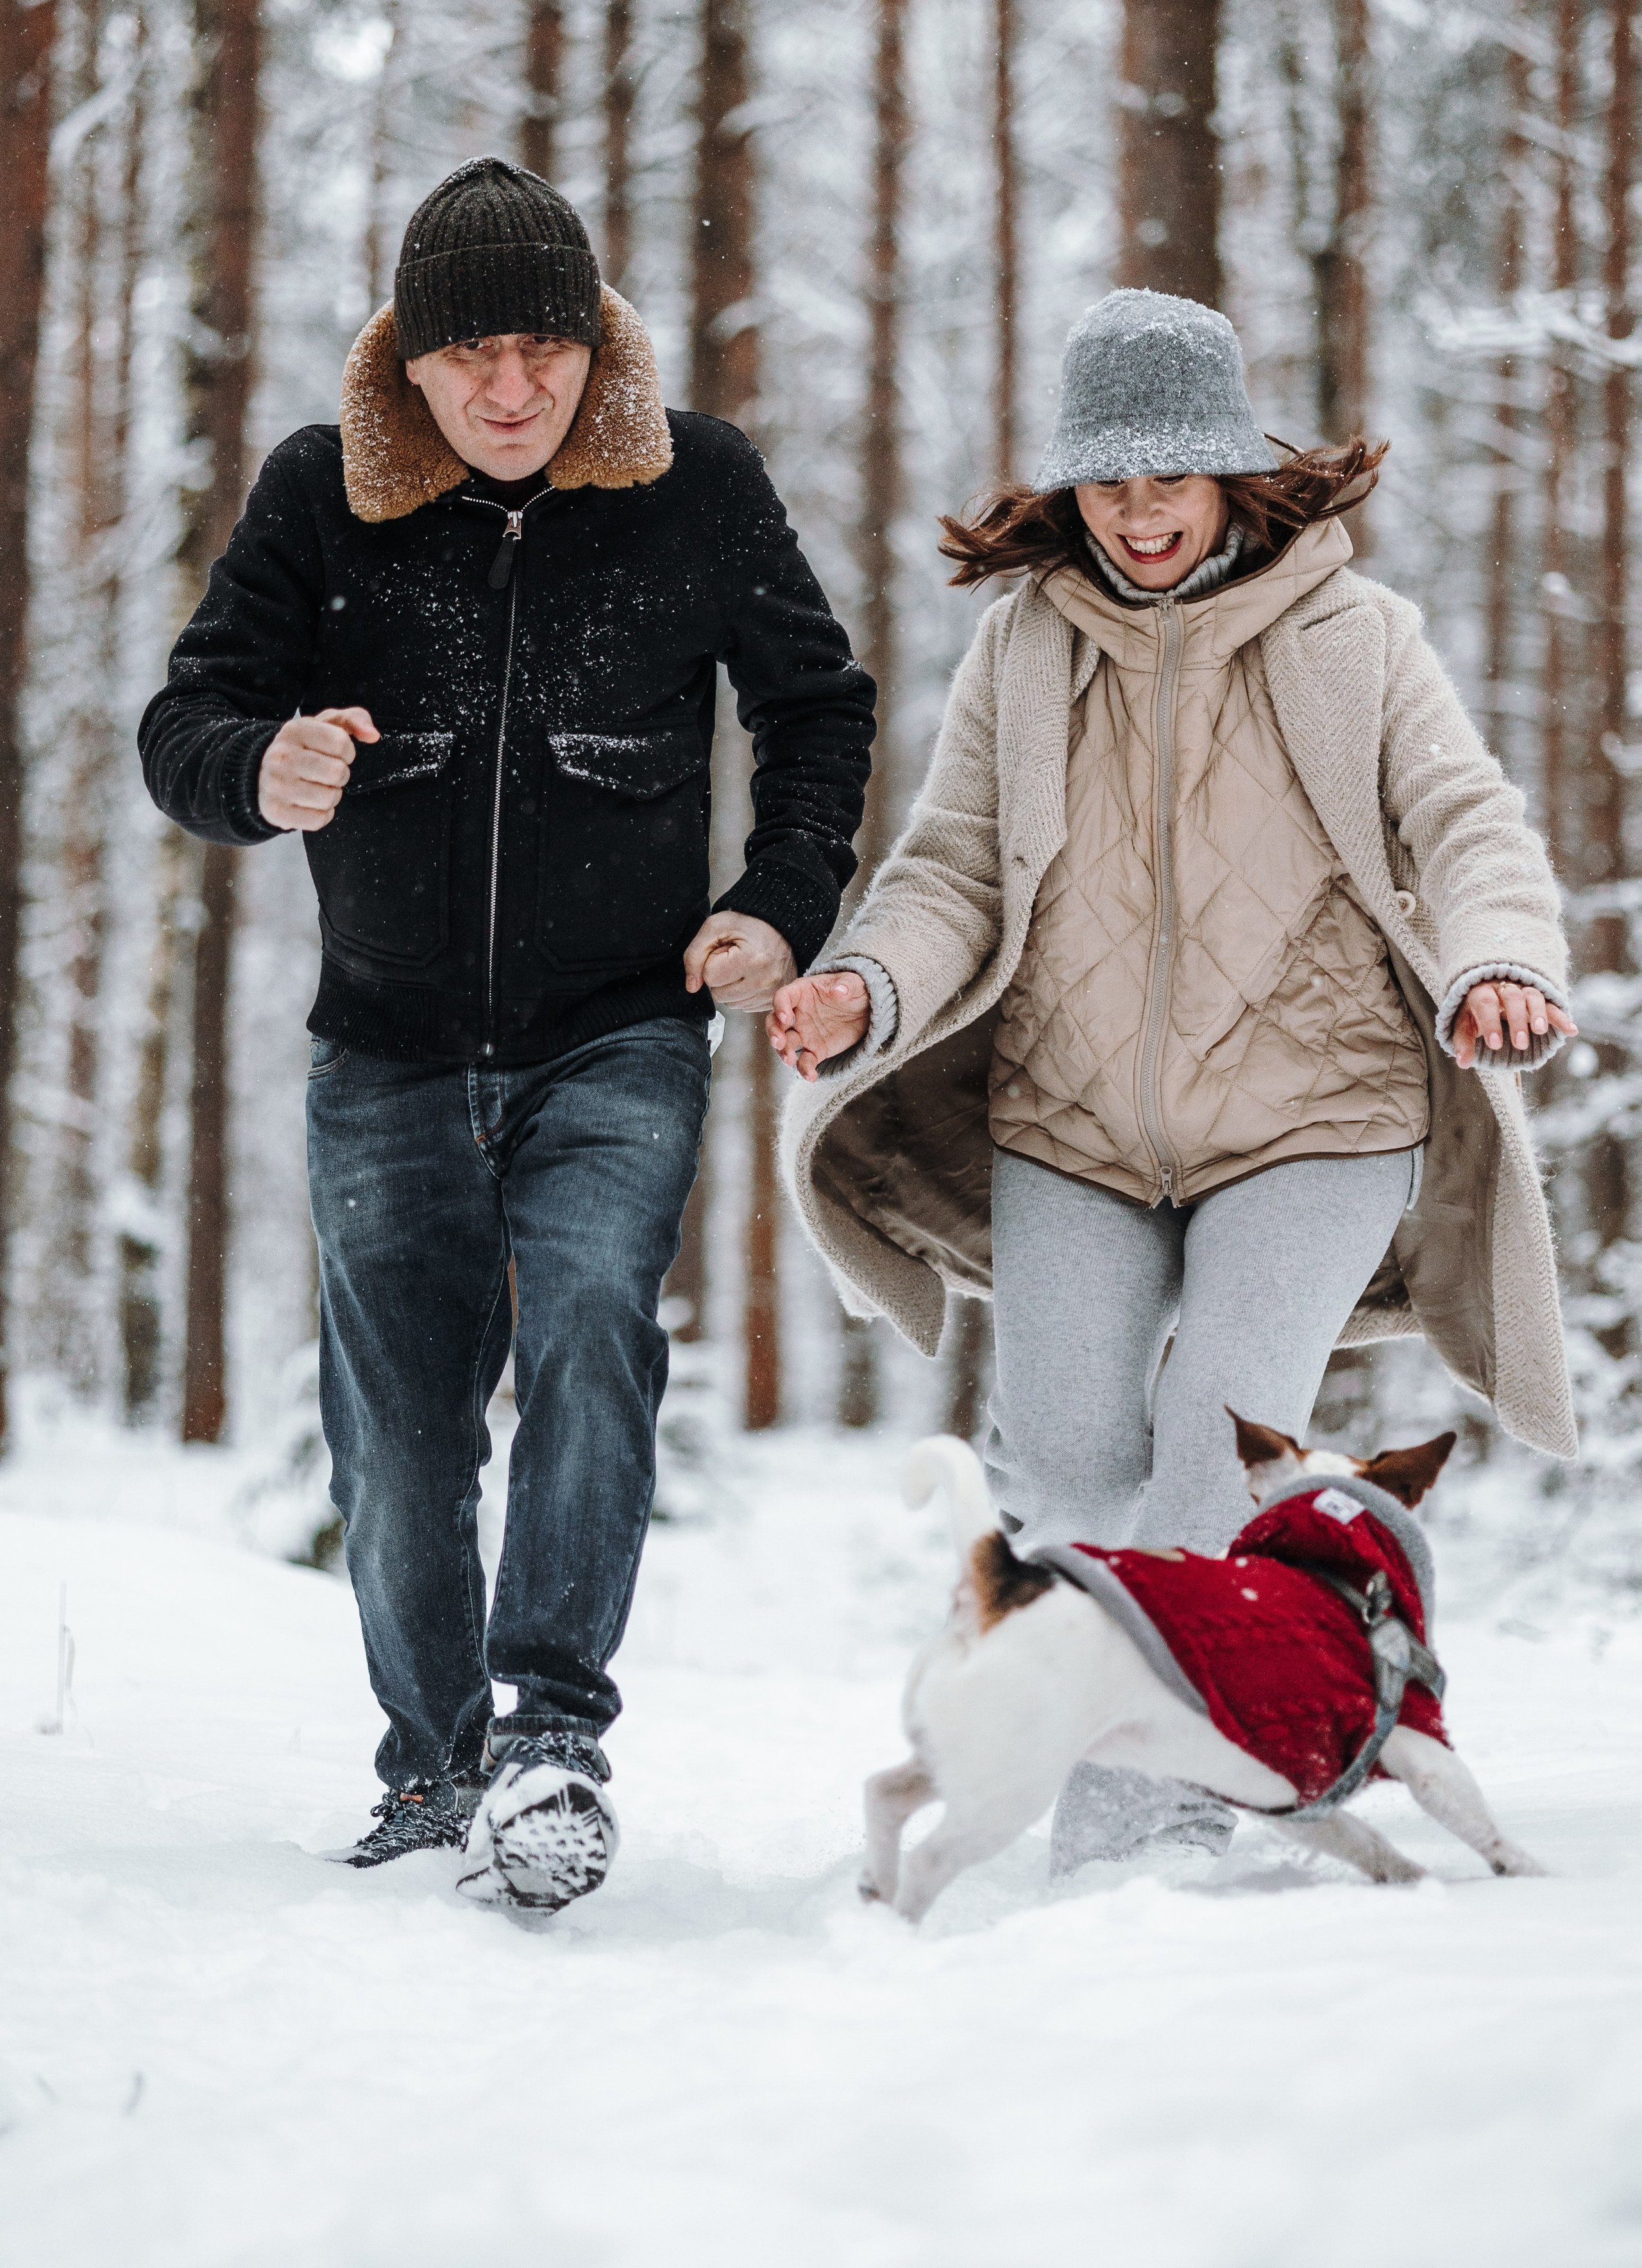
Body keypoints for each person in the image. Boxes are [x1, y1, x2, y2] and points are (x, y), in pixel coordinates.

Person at [140, 158, 874, 1913]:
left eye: (544, 348)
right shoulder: (321, 492)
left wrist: (777, 902)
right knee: (400, 1436)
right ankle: (432, 1769)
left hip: (618, 1032)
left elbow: (816, 707)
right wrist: (256, 767)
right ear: (409, 364)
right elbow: (189, 719)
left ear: (594, 345)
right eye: (470, 354)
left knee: (595, 1324)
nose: (511, 387)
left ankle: (551, 1740)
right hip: (383, 1050)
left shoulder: (695, 484)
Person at [768, 286, 1574, 1866]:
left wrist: (1497, 957)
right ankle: (1108, 1771)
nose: (1138, 513)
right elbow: (950, 869)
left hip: (1315, 1120)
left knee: (1215, 1456)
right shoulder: (1024, 649)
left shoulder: (1351, 638)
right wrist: (868, 983)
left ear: (1228, 472)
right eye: (1107, 481)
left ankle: (1139, 1842)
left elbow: (1464, 821)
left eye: (1170, 477)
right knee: (1068, 1469)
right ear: (1071, 486)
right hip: (1071, 1129)